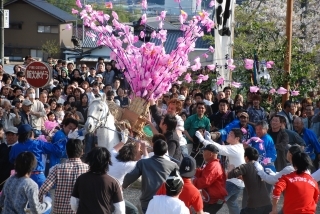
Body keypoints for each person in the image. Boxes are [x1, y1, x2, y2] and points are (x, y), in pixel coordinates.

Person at [196, 128, 245, 214]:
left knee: (216, 201)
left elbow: (219, 149)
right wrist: (209, 140)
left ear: (237, 138)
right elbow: (220, 147)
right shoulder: (234, 147)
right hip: (236, 181)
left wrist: (203, 140)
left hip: (234, 182)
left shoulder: (236, 149)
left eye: (231, 135)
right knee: (231, 203)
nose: (228, 135)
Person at [123, 139, 179, 213]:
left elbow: (129, 178)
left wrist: (120, 186)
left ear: (153, 149)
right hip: (165, 203)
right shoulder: (173, 166)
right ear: (166, 151)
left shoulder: (143, 163)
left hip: (147, 202)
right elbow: (178, 186)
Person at [38, 139, 89, 214]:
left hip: (60, 211)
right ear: (82, 152)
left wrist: (40, 203)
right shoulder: (88, 169)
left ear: (67, 152)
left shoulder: (57, 168)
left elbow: (43, 189)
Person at [71, 147, 125, 214]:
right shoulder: (113, 182)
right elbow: (120, 210)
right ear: (108, 162)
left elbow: (73, 203)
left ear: (89, 161)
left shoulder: (81, 178)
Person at [228, 147, 272, 214]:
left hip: (254, 206)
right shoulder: (259, 166)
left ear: (246, 158)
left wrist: (231, 169)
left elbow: (229, 175)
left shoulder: (245, 166)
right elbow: (254, 178)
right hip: (267, 204)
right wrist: (243, 178)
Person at [193, 144, 227, 214]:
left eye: (204, 151)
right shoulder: (212, 164)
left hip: (214, 200)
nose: (202, 153)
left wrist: (192, 181)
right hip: (211, 199)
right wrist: (193, 171)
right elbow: (203, 173)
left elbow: (205, 181)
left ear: (210, 154)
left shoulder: (213, 165)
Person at [0, 126, 18, 191]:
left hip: (11, 177)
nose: (10, 137)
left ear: (17, 136)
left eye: (12, 135)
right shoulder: (2, 146)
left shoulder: (17, 148)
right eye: (8, 135)